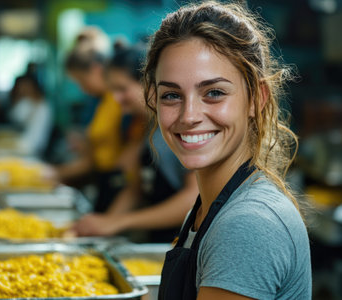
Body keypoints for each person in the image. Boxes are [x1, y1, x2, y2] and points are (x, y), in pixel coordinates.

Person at [143, 1, 312, 299]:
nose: (189, 115)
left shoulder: (247, 224)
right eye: (171, 95)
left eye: (214, 93)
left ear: (255, 99)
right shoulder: (209, 208)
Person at [72, 44, 198, 243]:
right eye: (112, 90)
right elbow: (135, 189)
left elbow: (193, 198)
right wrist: (106, 223)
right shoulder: (146, 128)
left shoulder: (180, 128)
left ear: (150, 84)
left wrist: (121, 221)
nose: (116, 98)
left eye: (122, 89)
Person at [56, 27, 133, 212]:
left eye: (82, 81)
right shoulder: (101, 102)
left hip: (119, 183)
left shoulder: (119, 103)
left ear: (96, 70)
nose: (82, 89)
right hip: (105, 182)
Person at [8, 75, 53, 157]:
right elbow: (15, 117)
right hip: (24, 143)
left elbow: (36, 138)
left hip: (33, 147)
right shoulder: (26, 102)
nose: (22, 89)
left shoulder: (43, 106)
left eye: (25, 86)